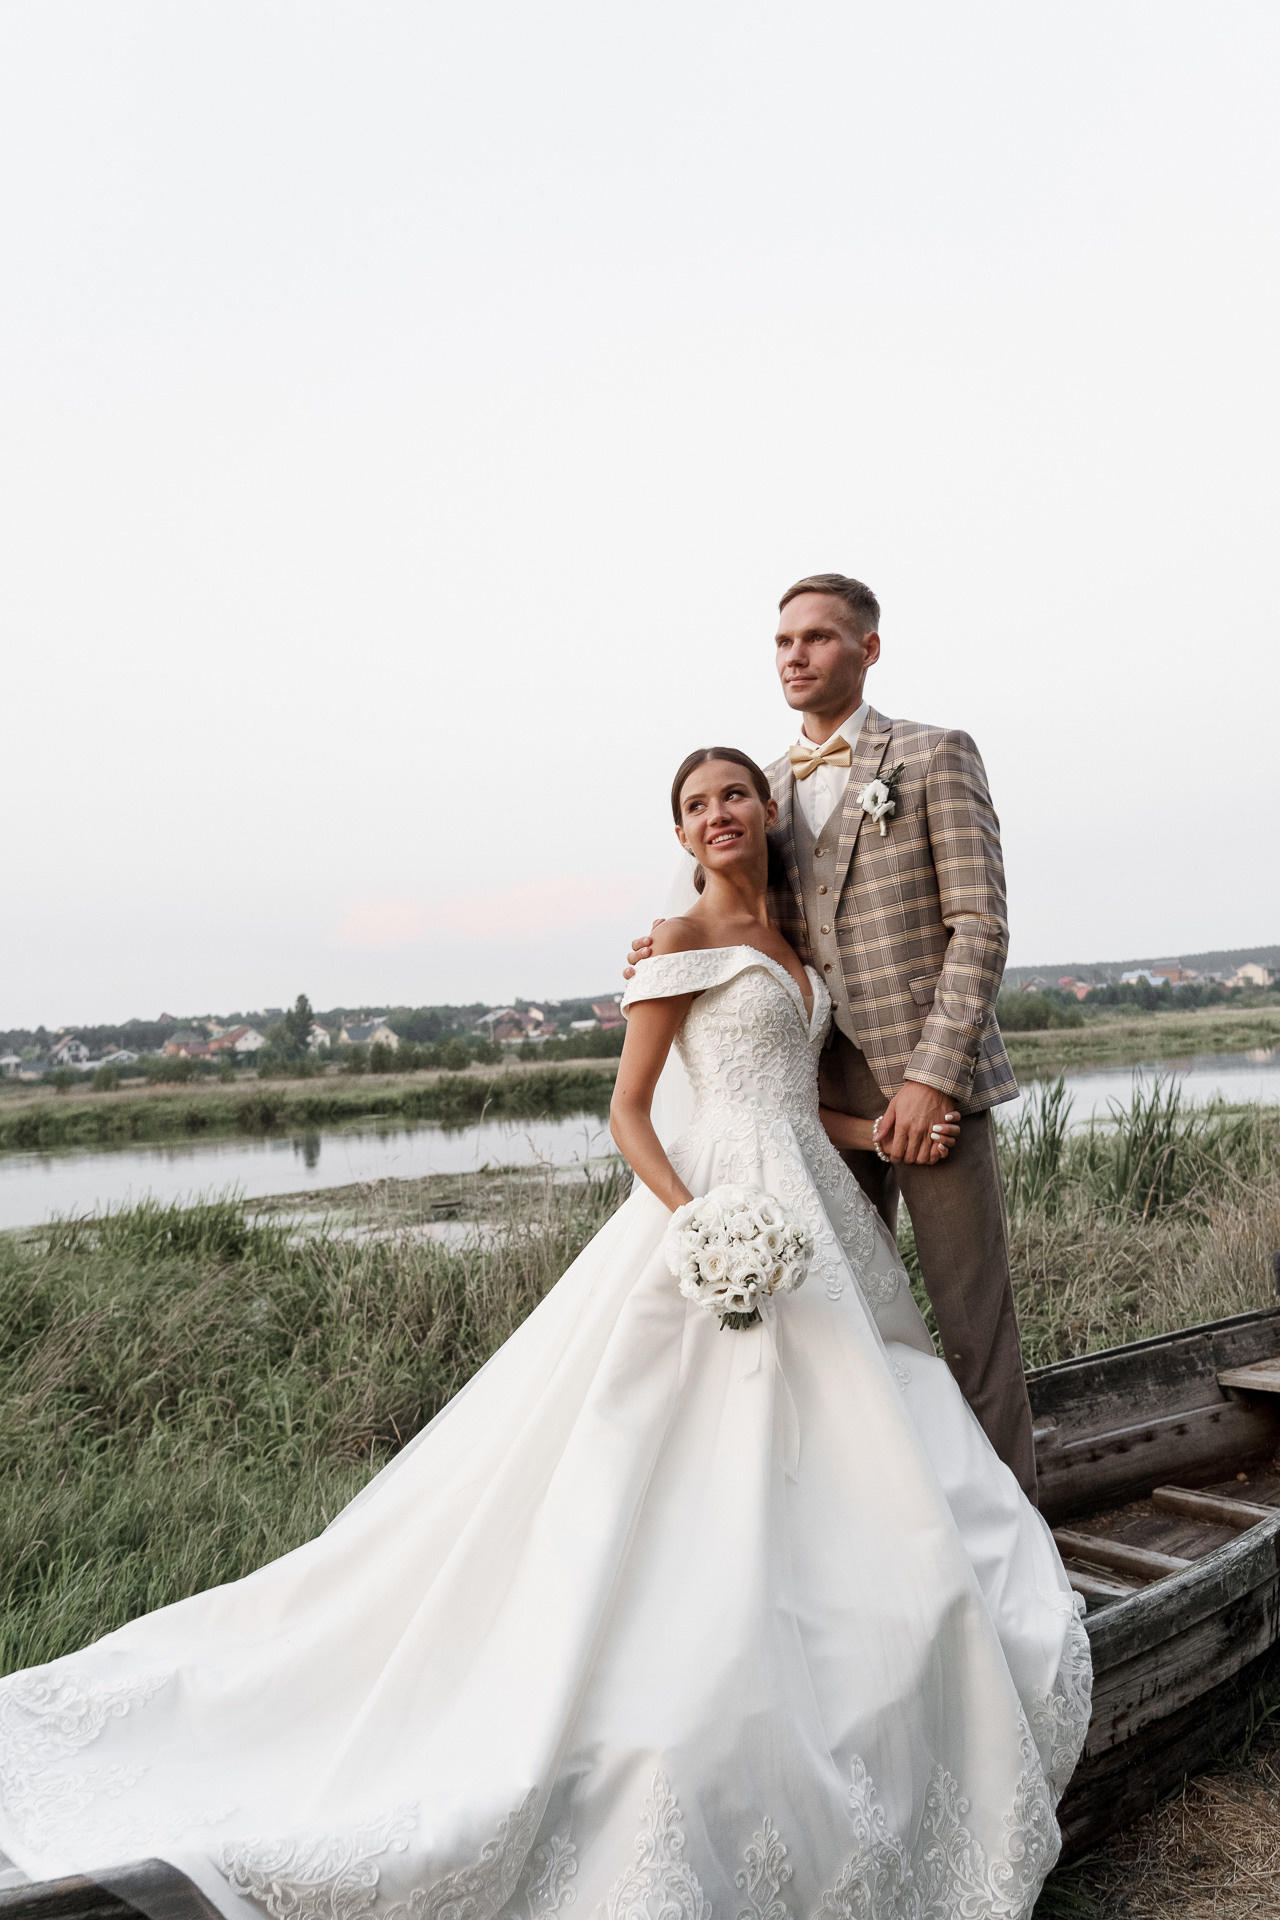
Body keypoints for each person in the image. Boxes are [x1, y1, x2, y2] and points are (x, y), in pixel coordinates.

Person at [0, 746, 1089, 1920]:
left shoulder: (794, 944)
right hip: (713, 1206)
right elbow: (629, 1113)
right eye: (693, 805)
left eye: (732, 794)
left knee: (863, 1411)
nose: (716, 814)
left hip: (810, 1199)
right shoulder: (673, 942)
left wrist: (876, 1136)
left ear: (765, 809)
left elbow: (789, 1100)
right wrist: (696, 1220)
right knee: (681, 1439)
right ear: (679, 834)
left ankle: (878, 1609)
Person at [627, 575, 1036, 1499]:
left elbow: (980, 925)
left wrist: (931, 1077)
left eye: (816, 637)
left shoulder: (933, 755)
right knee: (833, 1328)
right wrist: (661, 947)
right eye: (783, 641)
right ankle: (869, 1517)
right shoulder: (758, 790)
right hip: (807, 1101)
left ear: (868, 649)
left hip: (928, 1088)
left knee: (970, 1328)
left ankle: (1015, 1531)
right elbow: (728, 919)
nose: (795, 656)